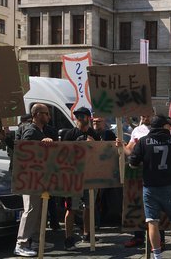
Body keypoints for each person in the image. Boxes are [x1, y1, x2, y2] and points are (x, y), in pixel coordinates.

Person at [129, 114, 171, 259]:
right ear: (164, 126)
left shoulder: (143, 142)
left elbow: (132, 164)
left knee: (152, 222)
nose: (170, 129)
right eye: (169, 126)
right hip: (170, 187)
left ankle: (157, 256)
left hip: (150, 188)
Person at [14, 103, 57, 257]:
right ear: (37, 114)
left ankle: (38, 241)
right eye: (46, 113)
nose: (49, 117)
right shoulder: (31, 131)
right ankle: (21, 244)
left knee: (38, 210)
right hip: (30, 178)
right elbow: (25, 151)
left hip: (38, 177)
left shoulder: (39, 130)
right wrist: (41, 143)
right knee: (31, 209)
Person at [61, 107, 99, 250]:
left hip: (90, 175)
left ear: (88, 118)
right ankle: (69, 238)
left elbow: (101, 154)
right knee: (71, 208)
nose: (79, 119)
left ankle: (87, 233)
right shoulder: (70, 133)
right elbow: (63, 154)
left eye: (82, 117)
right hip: (73, 177)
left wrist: (93, 144)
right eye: (77, 117)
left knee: (89, 206)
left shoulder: (94, 134)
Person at [123, 113, 156, 248]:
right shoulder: (136, 130)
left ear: (152, 115)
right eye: (143, 115)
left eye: (148, 115)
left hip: (154, 172)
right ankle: (138, 236)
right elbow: (130, 150)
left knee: (154, 205)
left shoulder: (157, 129)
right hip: (137, 172)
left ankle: (159, 238)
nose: (145, 117)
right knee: (137, 202)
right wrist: (121, 146)